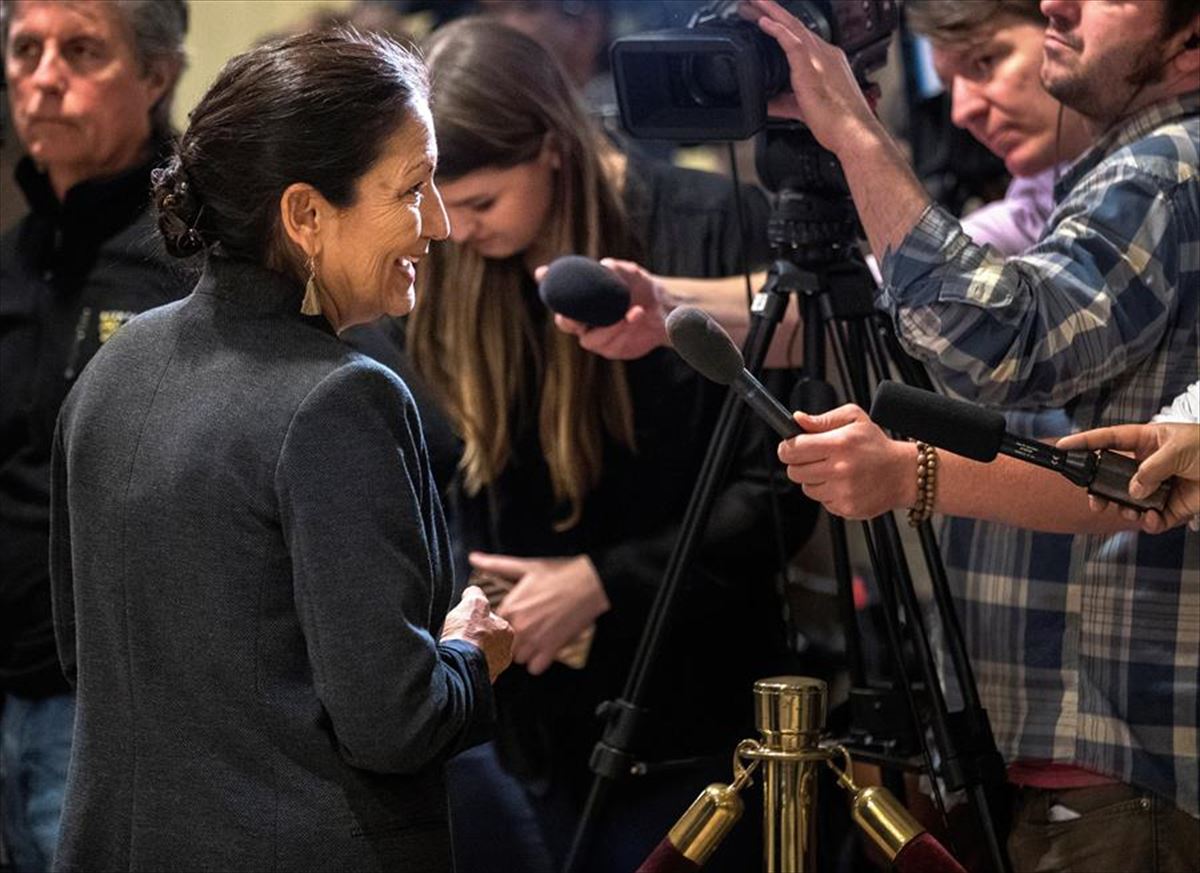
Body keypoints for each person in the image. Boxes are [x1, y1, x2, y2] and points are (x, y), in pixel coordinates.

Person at [48, 28, 512, 872]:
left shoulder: (116, 362)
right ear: (304, 213)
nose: (438, 224)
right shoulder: (342, 397)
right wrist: (473, 657)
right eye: (413, 188)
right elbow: (395, 723)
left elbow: (87, 654)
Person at [750, 0, 1198, 867]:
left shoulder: (1167, 169)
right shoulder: (1139, 167)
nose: (1058, 3)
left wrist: (851, 130)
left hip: (1123, 753)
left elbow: (1006, 348)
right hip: (1098, 755)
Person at [407, 18, 814, 872]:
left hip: (695, 734)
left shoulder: (714, 227)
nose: (461, 233)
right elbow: (439, 476)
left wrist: (599, 583)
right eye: (444, 213)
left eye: (480, 204)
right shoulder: (453, 269)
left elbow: (778, 489)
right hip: (522, 734)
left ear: (552, 146)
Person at [0, 2, 191, 869]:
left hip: (117, 705)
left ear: (156, 76)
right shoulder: (16, 254)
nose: (44, 78)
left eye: (81, 51)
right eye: (24, 49)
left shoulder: (199, 257)